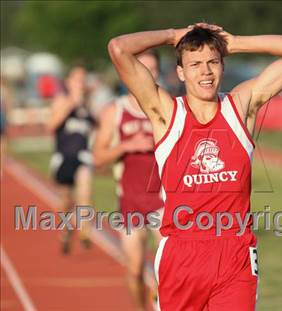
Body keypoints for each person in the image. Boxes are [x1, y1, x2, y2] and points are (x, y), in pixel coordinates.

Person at [108, 23, 282, 310]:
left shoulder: (241, 107)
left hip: (235, 254)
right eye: (194, 64)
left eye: (213, 62)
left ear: (223, 65)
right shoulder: (166, 113)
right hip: (181, 256)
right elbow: (119, 48)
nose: (205, 72)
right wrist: (172, 36)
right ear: (180, 72)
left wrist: (235, 42)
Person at [93, 50, 163, 311]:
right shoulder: (115, 110)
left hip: (164, 200)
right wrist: (127, 145)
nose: (148, 75)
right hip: (130, 202)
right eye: (143, 69)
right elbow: (98, 158)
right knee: (134, 270)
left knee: (167, 266)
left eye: (153, 69)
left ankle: (161, 304)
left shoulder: (166, 107)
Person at [46, 65, 95, 254]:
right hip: (63, 157)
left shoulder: (87, 104)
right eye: (77, 79)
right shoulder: (62, 101)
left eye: (83, 80)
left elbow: (94, 126)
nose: (80, 83)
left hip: (82, 156)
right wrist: (71, 104)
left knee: (85, 191)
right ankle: (66, 230)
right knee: (66, 200)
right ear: (68, 82)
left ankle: (84, 232)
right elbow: (51, 126)